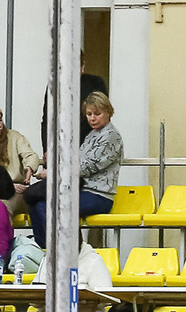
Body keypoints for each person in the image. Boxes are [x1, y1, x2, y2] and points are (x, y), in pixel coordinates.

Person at [28, 90, 121, 246]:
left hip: (99, 195)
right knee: (36, 205)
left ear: (108, 112)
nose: (92, 118)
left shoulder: (110, 136)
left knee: (49, 207)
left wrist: (53, 173)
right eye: (89, 114)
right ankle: (44, 248)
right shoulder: (93, 134)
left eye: (97, 114)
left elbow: (87, 167)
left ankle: (57, 249)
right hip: (81, 191)